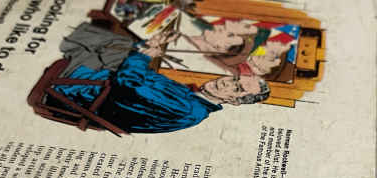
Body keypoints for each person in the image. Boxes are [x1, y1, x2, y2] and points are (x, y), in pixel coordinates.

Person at [54, 28, 271, 134]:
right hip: (105, 86)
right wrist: (150, 48)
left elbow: (128, 84)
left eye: (236, 88)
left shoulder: (188, 108)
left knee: (110, 41)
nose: (226, 82)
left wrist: (144, 55)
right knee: (124, 42)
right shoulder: (193, 98)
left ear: (234, 101)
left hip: (85, 90)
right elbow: (144, 82)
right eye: (234, 79)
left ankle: (60, 39)